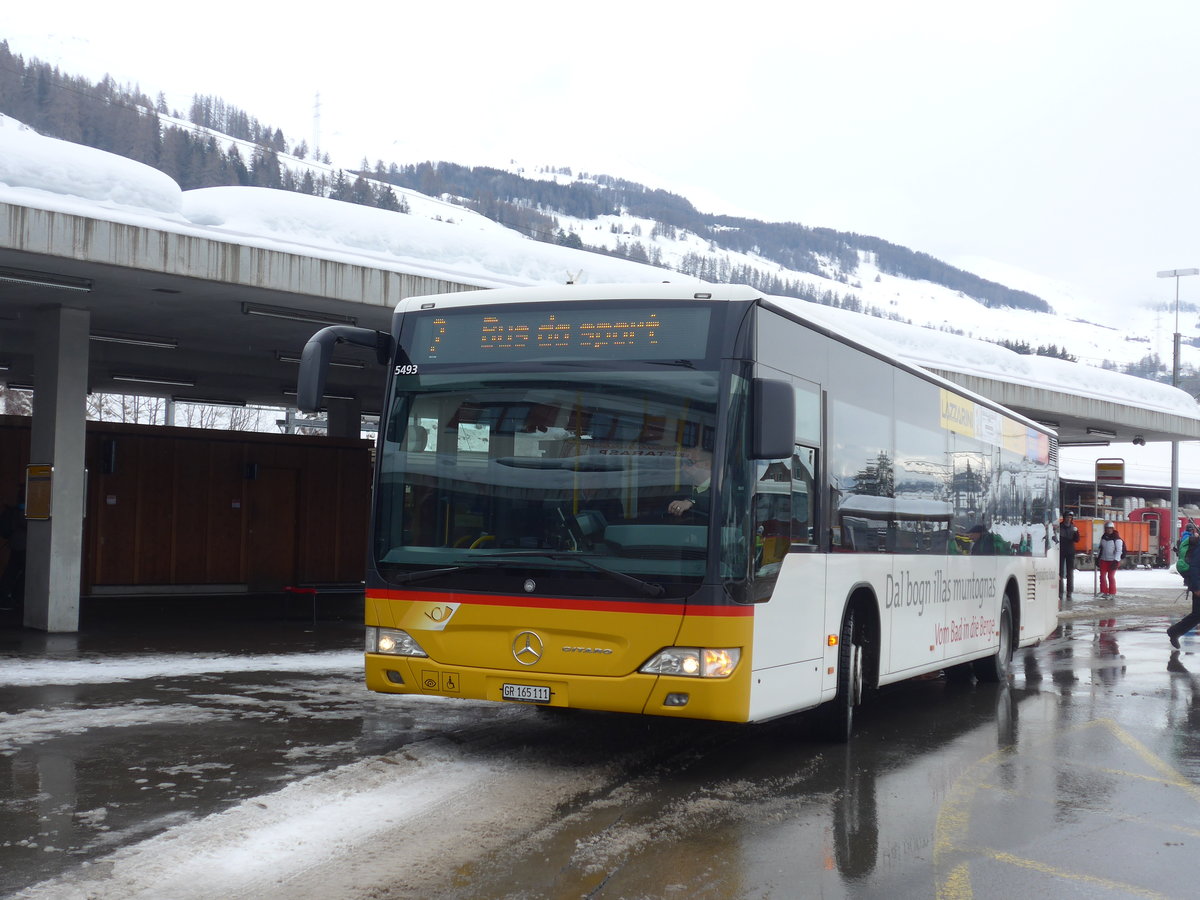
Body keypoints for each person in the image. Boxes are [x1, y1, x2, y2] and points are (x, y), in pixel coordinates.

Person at [1168, 534, 1200, 648]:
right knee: (1197, 614)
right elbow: (1195, 566)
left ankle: (1175, 631)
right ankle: (1174, 631)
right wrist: (1196, 587)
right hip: (1198, 584)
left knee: (1197, 614)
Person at [0, 489, 27, 613]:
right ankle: (14, 595)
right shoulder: (26, 511)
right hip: (24, 545)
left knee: (12, 570)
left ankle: (6, 595)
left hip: (15, 544)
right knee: (27, 571)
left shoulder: (15, 509)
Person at [666, 446, 711, 518]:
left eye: (689, 463)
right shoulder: (685, 485)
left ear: (706, 464)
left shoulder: (723, 486)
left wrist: (691, 502)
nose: (683, 468)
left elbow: (720, 505)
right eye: (682, 463)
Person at [1096, 521, 1125, 598]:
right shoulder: (1103, 537)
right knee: (1102, 576)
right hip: (1104, 559)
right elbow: (1100, 548)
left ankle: (1112, 592)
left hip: (1113, 561)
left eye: (1110, 528)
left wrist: (1116, 560)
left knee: (1110, 576)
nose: (1108, 530)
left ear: (1112, 529)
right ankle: (1103, 591)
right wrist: (1098, 558)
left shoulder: (1117, 539)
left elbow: (1119, 551)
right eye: (1107, 528)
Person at [1059, 513, 1080, 597]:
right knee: (1060, 572)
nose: (1068, 519)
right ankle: (1060, 591)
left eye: (1070, 518)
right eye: (1067, 517)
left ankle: (1069, 591)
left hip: (1070, 552)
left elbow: (1077, 540)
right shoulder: (1059, 527)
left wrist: (1076, 533)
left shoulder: (1073, 528)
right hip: (1061, 551)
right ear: (1064, 518)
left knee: (1070, 572)